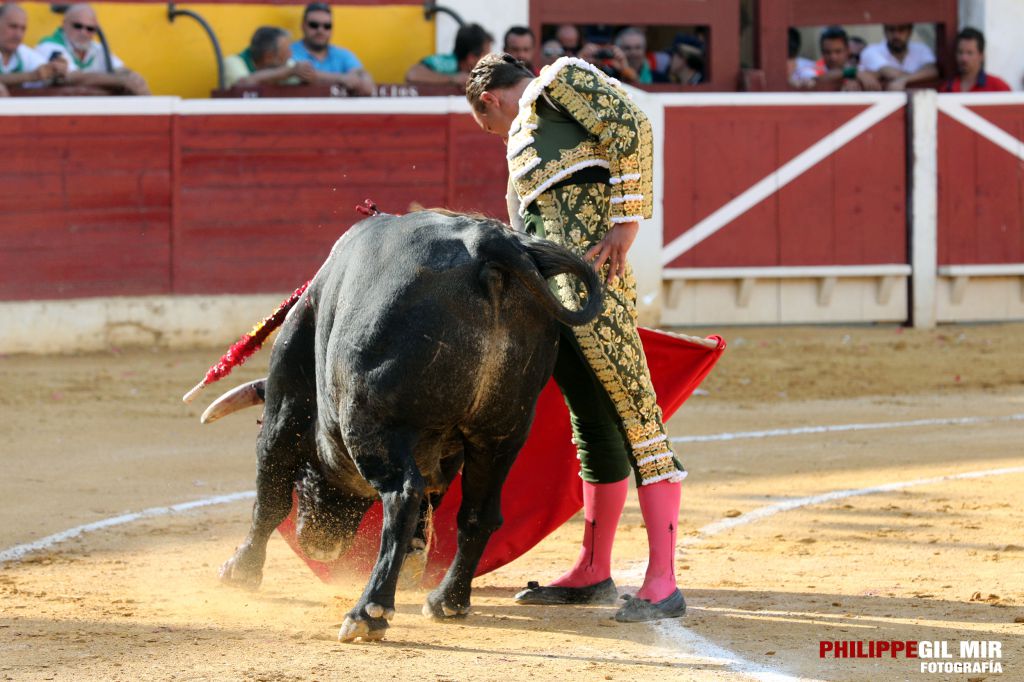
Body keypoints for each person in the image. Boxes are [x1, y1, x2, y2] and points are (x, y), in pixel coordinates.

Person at [466, 53, 687, 622]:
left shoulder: (558, 80)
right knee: (591, 421)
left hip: (597, 282)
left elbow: (631, 124)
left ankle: (664, 581)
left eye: (487, 125)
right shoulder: (521, 146)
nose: (497, 135)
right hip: (551, 295)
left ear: (490, 99)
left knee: (638, 417)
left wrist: (627, 221)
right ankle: (594, 570)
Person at [35, 3, 149, 95]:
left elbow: (119, 69)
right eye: (77, 26)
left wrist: (132, 76)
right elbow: (72, 78)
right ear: (64, 24)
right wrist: (121, 81)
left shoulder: (96, 48)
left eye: (90, 29)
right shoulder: (50, 46)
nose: (83, 32)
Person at [291, 2, 373, 95]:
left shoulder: (343, 54)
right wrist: (342, 79)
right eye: (314, 25)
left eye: (327, 26)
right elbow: (306, 75)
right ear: (303, 26)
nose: (320, 30)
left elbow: (360, 73)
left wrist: (365, 78)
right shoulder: (289, 52)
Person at [1, 3, 67, 93]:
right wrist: (32, 76)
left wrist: (55, 71)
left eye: (22, 29)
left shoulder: (23, 52)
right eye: (13, 27)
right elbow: (36, 75)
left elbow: (44, 72)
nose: (18, 35)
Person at [223, 26, 315, 89]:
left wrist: (308, 75)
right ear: (268, 57)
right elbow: (243, 85)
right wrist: (288, 72)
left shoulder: (287, 65)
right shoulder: (233, 62)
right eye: (286, 51)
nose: (290, 55)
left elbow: (313, 76)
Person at [405, 22, 492, 87]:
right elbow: (413, 74)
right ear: (471, 58)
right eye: (486, 55)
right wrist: (453, 79)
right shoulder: (449, 64)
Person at [857, 23, 938, 91]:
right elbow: (891, 73)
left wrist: (903, 80)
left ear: (910, 32)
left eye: (901, 30)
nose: (896, 35)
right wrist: (918, 76)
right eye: (891, 30)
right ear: (885, 31)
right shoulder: (871, 51)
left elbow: (932, 70)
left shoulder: (921, 49)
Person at [940, 27, 1010, 93]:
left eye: (970, 53)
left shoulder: (998, 87)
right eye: (960, 52)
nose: (964, 58)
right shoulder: (947, 88)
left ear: (981, 56)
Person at [811, 26, 861, 90]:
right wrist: (853, 73)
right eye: (827, 52)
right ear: (822, 52)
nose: (833, 57)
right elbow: (816, 80)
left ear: (848, 50)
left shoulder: (860, 69)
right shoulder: (812, 70)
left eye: (838, 52)